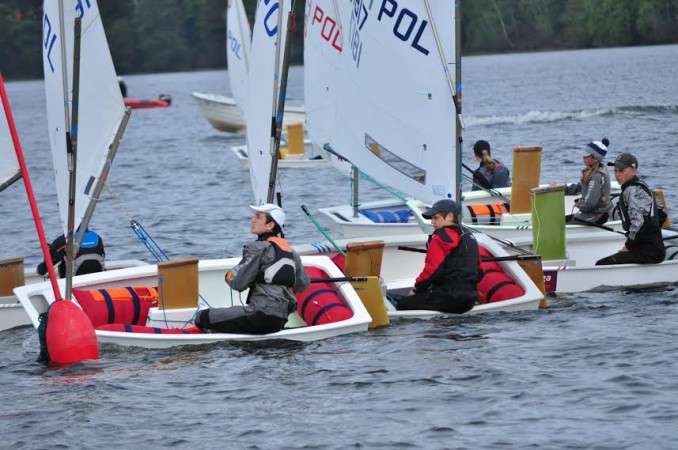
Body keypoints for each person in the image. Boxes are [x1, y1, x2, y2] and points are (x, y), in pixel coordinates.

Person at [195, 204, 310, 334]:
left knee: (201, 317)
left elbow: (237, 283)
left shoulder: (256, 248)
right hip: (280, 319)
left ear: (270, 225)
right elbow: (303, 285)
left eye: (258, 217)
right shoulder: (291, 252)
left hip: (260, 315)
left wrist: (228, 276)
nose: (253, 220)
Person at [396, 199, 480, 313]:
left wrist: (416, 290)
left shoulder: (440, 237)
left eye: (436, 217)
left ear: (450, 216)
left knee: (402, 304)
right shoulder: (468, 235)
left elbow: (431, 271)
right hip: (470, 299)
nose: (432, 222)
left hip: (450, 298)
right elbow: (479, 270)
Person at [596, 153, 666, 265]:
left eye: (621, 171)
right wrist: (652, 234)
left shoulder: (632, 191)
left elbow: (638, 223)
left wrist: (628, 246)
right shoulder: (642, 186)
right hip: (652, 248)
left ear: (633, 171)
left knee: (601, 264)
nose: (617, 174)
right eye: (615, 171)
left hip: (648, 252)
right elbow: (662, 213)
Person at [564, 138, 612, 224]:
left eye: (587, 155)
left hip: (598, 216)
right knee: (562, 219)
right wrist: (562, 189)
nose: (583, 157)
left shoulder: (596, 176)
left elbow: (590, 203)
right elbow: (581, 187)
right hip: (590, 213)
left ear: (595, 159)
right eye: (584, 154)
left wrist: (579, 204)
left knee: (562, 223)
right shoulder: (589, 171)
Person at [36, 228, 106, 278]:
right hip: (96, 290)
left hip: (71, 291)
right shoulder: (98, 238)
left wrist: (48, 253)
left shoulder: (64, 240)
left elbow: (44, 273)